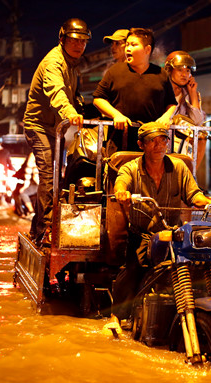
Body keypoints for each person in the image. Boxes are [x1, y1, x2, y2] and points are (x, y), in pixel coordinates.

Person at [111, 122, 211, 321]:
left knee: (203, 262)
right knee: (133, 269)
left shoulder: (179, 167)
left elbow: (194, 195)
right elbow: (121, 181)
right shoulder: (131, 168)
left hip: (173, 232)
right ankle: (116, 318)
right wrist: (121, 191)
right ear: (141, 145)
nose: (159, 145)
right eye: (152, 141)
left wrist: (207, 203)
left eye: (163, 140)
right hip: (142, 234)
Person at [23, 18, 90, 245]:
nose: (79, 45)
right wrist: (70, 111)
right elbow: (57, 93)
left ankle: (38, 226)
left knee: (61, 180)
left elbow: (75, 96)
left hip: (57, 129)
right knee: (49, 178)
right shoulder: (54, 63)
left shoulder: (73, 65)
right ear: (62, 39)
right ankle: (45, 232)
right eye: (74, 40)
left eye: (83, 41)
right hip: (38, 126)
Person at [93, 27, 176, 152]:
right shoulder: (114, 71)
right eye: (127, 45)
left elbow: (172, 104)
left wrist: (166, 117)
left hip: (152, 142)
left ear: (147, 49)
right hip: (119, 142)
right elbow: (98, 99)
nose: (128, 48)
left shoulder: (161, 74)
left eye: (133, 45)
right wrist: (116, 115)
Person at [164, 51, 207, 164]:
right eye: (180, 70)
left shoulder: (189, 94)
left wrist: (192, 93)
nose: (184, 74)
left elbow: (197, 121)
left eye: (187, 70)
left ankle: (192, 176)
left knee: (202, 136)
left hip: (180, 137)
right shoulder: (161, 89)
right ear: (169, 70)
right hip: (162, 132)